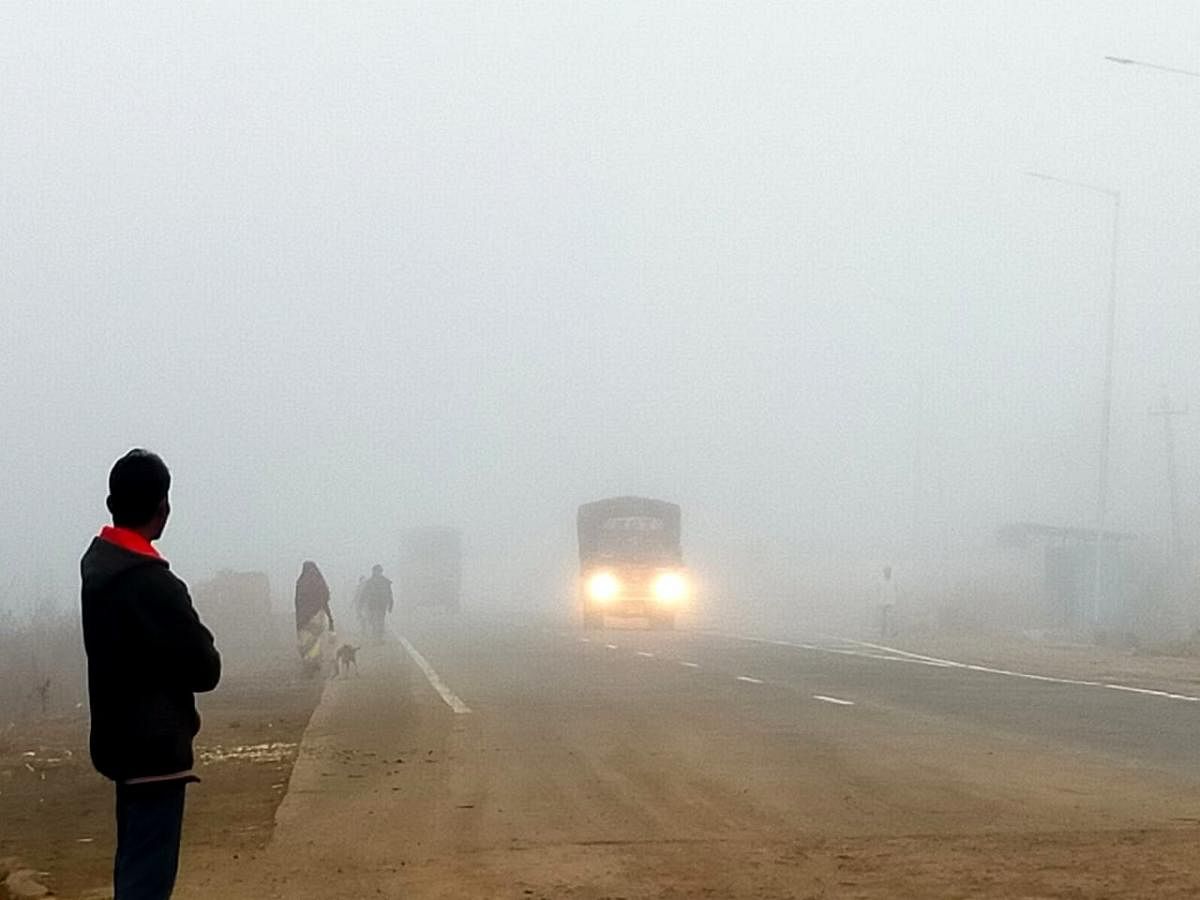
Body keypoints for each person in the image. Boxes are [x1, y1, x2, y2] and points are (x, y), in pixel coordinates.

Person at [80, 449, 221, 900]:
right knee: (147, 881)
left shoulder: (100, 571)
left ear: (111, 504)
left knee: (133, 868)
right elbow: (205, 667)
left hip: (119, 747)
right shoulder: (153, 584)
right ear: (163, 509)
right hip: (156, 752)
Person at [294, 561, 335, 676]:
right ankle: (314, 662)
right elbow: (324, 600)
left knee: (305, 641)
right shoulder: (319, 582)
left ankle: (309, 663)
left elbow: (297, 602)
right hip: (317, 616)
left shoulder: (301, 582)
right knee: (315, 640)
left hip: (303, 618)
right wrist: (330, 618)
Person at [360, 563, 394, 642]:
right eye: (376, 571)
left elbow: (389, 593)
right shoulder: (370, 582)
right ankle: (376, 636)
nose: (378, 573)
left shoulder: (385, 582)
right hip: (372, 605)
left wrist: (391, 604)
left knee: (380, 621)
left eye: (379, 571)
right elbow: (364, 593)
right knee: (373, 621)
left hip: (382, 605)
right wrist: (361, 603)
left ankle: (379, 637)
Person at [878, 565, 898, 640]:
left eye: (889, 571)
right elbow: (878, 590)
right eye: (886, 571)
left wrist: (895, 598)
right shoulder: (880, 580)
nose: (887, 573)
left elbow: (896, 589)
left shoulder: (893, 580)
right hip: (882, 601)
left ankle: (891, 632)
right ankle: (883, 632)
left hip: (891, 601)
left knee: (891, 617)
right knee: (883, 618)